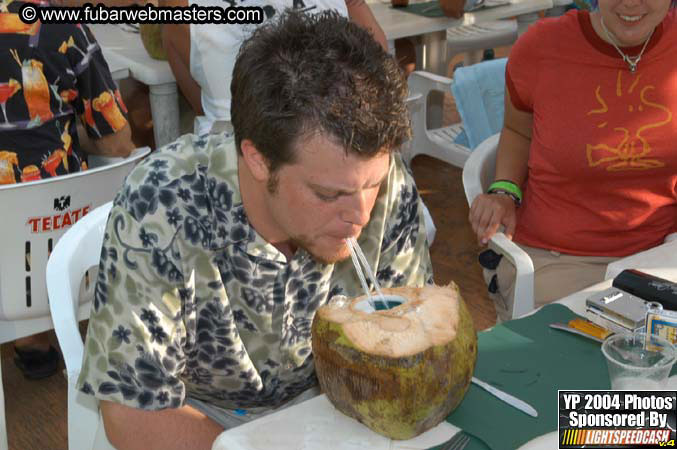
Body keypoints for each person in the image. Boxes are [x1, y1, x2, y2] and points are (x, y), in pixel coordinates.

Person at [77, 10, 432, 449]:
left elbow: (414, 343)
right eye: (327, 194)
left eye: (371, 185)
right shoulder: (162, 205)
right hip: (196, 413)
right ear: (258, 159)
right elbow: (133, 414)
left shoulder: (387, 183)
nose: (359, 215)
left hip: (329, 408)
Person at [468, 0, 677, 321]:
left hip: (660, 258)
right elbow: (517, 131)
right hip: (558, 259)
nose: (632, 3)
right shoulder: (542, 47)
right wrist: (504, 191)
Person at [0, 0, 134, 378]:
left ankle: (32, 342)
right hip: (60, 244)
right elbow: (118, 143)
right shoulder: (62, 27)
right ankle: (51, 328)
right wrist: (64, 134)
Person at [161, 0, 387, 136]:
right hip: (339, 140)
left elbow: (182, 61)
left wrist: (226, 107)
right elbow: (378, 62)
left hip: (231, 150)